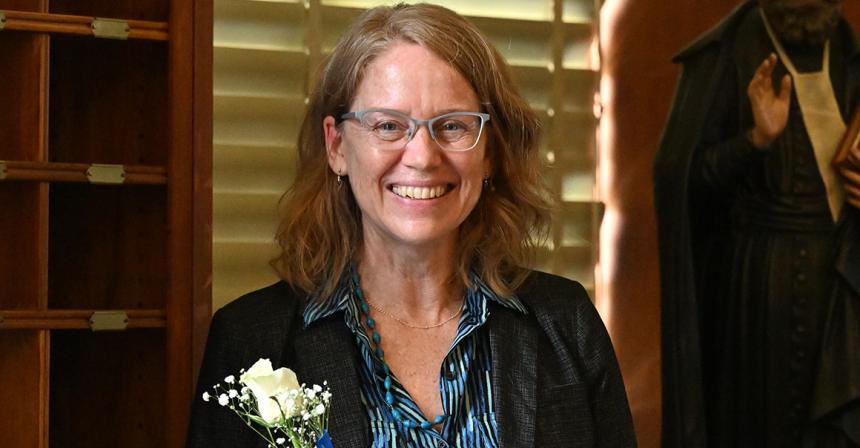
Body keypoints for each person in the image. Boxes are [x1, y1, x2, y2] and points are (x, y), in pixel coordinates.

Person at [187, 4, 636, 447]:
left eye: (453, 126)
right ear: (337, 145)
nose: (422, 156)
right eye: (388, 125)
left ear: (491, 153)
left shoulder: (567, 324)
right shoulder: (251, 341)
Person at [654, 0, 860, 446]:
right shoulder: (728, 51)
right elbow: (683, 181)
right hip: (759, 288)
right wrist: (756, 141)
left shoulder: (847, 49)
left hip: (841, 283)